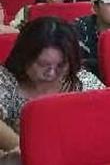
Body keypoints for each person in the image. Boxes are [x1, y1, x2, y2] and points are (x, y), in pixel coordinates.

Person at [0, 17, 104, 151]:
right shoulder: (5, 79)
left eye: (61, 65)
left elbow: (108, 111)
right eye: (43, 64)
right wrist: (26, 151)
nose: (51, 73)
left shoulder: (81, 79)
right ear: (24, 57)